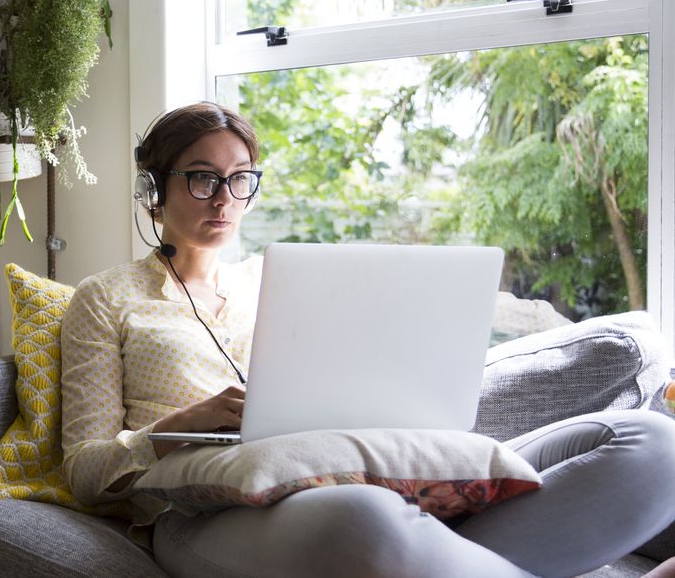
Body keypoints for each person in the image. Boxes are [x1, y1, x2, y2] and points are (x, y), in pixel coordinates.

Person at [59, 101, 675, 578]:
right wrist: (176, 428)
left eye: (240, 179)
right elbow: (84, 470)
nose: (225, 199)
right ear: (153, 189)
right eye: (202, 179)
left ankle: (427, 557)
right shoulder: (106, 297)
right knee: (367, 518)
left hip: (359, 470)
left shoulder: (282, 282)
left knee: (652, 443)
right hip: (208, 510)